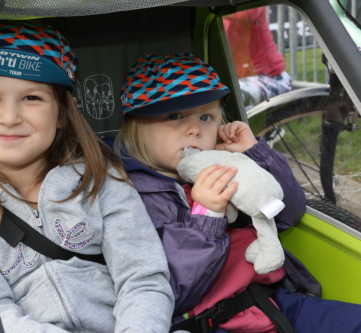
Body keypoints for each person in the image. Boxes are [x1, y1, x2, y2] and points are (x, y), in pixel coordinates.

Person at [110, 53, 361, 333]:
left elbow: (289, 214)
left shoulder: (225, 164)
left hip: (274, 302)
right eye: (175, 116)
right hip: (209, 321)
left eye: (206, 117)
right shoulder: (135, 197)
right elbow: (168, 293)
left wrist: (254, 154)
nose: (194, 129)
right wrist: (207, 217)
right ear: (136, 127)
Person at [0, 21, 174, 332]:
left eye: (32, 98)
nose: (10, 117)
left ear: (62, 113)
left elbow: (143, 279)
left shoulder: (101, 180)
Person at [223, 7, 291, 147]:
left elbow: (246, 13)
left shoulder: (247, 8)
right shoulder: (222, 19)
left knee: (232, 95)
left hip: (273, 78)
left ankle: (262, 138)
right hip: (244, 80)